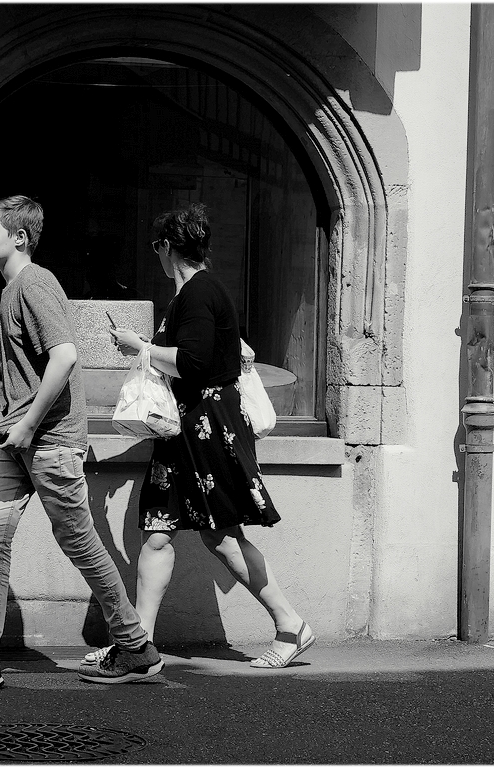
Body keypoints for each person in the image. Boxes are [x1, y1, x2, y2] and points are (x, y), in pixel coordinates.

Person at [0, 195, 163, 690]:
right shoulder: (11, 290)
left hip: (47, 440)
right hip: (19, 439)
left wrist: (26, 423)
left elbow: (66, 356)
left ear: (19, 237)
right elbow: (37, 362)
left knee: (78, 542)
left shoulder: (35, 283)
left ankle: (135, 647)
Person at [104, 202, 314, 669]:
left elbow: (195, 363)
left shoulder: (199, 292)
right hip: (182, 432)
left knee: (222, 536)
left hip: (205, 429)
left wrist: (139, 347)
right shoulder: (194, 293)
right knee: (158, 533)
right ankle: (138, 646)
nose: (156, 256)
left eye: (156, 247)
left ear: (166, 247)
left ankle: (290, 625)